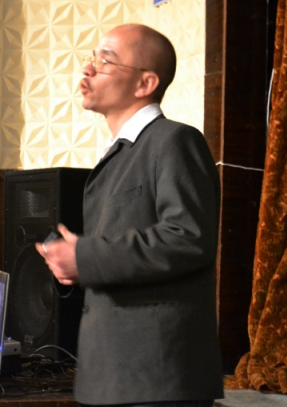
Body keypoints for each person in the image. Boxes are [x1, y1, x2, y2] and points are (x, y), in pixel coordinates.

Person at [36, 24, 224, 406]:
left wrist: (85, 256)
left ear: (145, 83)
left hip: (157, 376)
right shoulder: (120, 152)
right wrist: (72, 265)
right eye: (92, 58)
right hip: (112, 372)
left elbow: (188, 238)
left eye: (105, 61)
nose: (87, 69)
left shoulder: (174, 140)